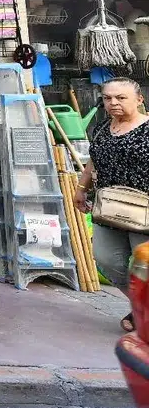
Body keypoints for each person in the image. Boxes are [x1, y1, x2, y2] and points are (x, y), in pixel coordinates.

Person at [76, 77, 149, 332]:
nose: (113, 102)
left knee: (145, 266)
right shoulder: (101, 128)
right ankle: (141, 306)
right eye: (107, 98)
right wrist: (81, 189)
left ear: (139, 99)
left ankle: (142, 312)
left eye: (121, 97)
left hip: (144, 210)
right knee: (106, 259)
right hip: (108, 207)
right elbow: (92, 161)